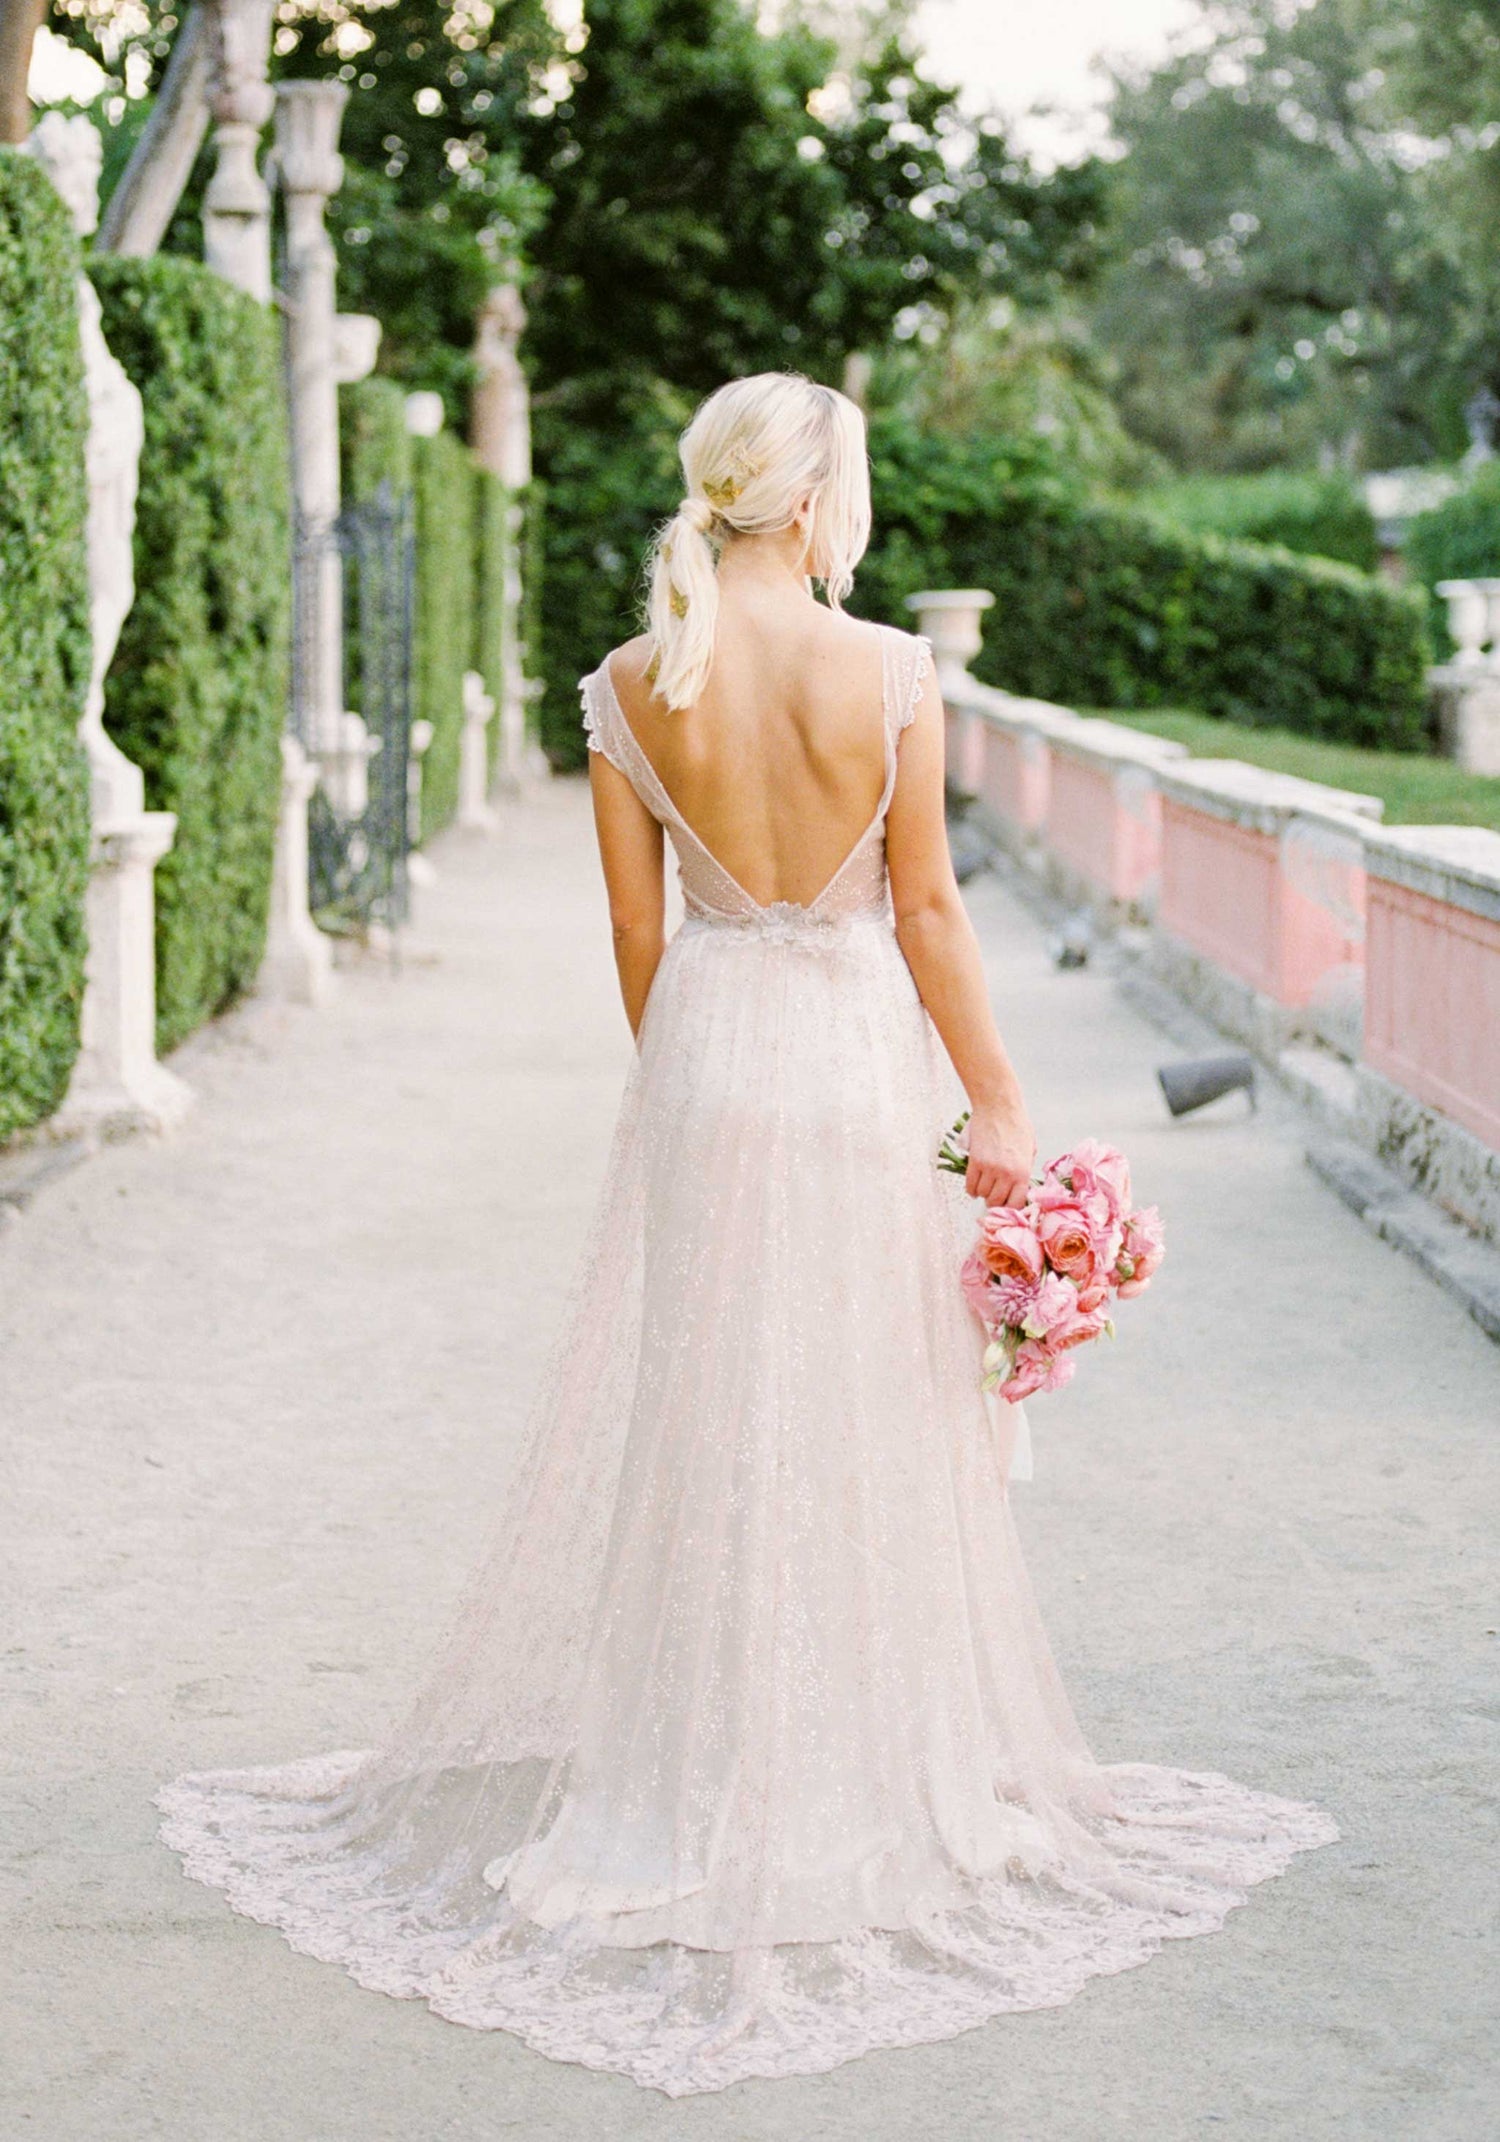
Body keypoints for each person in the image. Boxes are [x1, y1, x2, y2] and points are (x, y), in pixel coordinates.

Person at [158, 373, 1335, 2096]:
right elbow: (924, 903)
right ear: (807, 506)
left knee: (706, 1410)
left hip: (710, 1056)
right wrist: (996, 1100)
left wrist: (702, 1076)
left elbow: (637, 938)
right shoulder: (888, 672)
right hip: (856, 1050)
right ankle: (851, 1769)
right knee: (864, 1406)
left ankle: (684, 1766)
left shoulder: (635, 686)